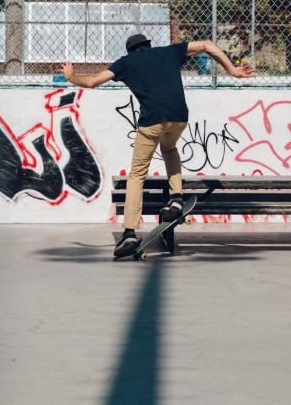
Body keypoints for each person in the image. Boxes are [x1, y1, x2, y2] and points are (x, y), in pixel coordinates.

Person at [63, 34, 255, 258]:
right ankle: (176, 198)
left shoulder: (126, 63)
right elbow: (206, 45)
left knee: (137, 175)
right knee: (170, 148)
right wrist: (231, 69)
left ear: (130, 50)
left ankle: (130, 233)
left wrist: (71, 76)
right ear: (148, 46)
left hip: (152, 122)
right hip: (179, 118)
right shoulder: (168, 51)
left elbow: (92, 82)